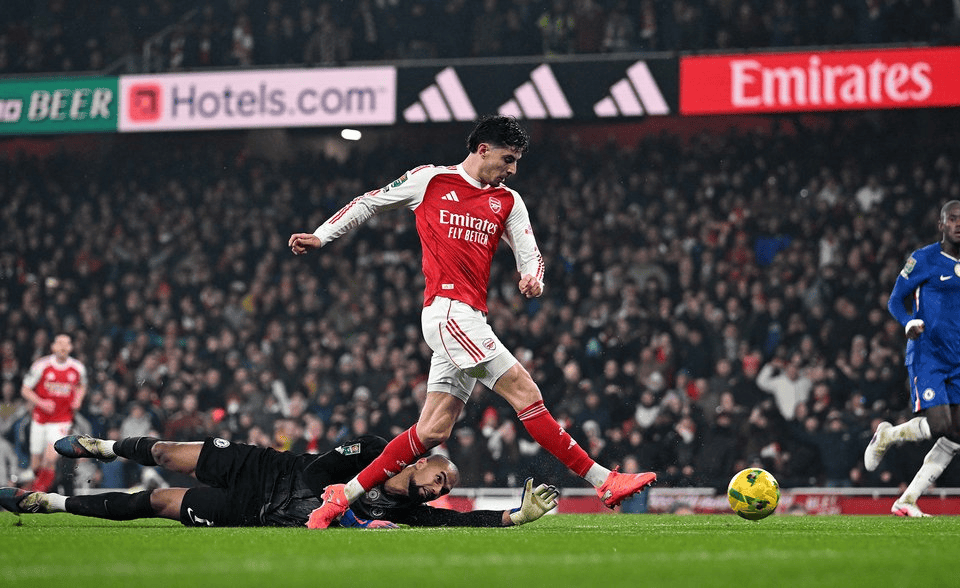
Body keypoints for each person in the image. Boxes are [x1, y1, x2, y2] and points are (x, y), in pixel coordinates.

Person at [288, 115, 655, 528]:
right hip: (447, 311)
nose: (513, 169)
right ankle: (603, 480)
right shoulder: (430, 180)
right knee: (525, 390)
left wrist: (532, 276)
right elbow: (370, 200)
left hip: (470, 318)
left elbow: (530, 251)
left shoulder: (509, 201)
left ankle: (341, 497)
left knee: (432, 431)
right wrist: (321, 235)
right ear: (483, 149)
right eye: (508, 158)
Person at [0, 433, 558, 528]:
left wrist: (513, 516)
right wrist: (355, 512)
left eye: (441, 489)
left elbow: (456, 522)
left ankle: (45, 503)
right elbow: (317, 473)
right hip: (263, 468)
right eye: (437, 477)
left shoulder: (407, 511)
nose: (436, 491)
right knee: (169, 453)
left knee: (156, 500)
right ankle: (103, 445)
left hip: (255, 512)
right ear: (419, 460)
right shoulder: (373, 452)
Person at [864, 200, 960, 517]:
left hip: (955, 358)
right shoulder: (923, 259)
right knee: (939, 424)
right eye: (952, 219)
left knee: (959, 432)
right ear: (941, 225)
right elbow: (894, 300)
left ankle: (907, 500)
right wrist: (908, 322)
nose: (959, 224)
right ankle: (886, 435)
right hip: (926, 354)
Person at [20, 334, 86, 493]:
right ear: (53, 346)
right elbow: (25, 389)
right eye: (60, 343)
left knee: (50, 458)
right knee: (36, 466)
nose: (63, 347)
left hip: (62, 420)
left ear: (71, 347)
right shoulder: (41, 366)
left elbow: (82, 386)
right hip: (40, 420)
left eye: (67, 343)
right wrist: (41, 402)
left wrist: (78, 399)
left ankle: (37, 495)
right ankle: (31, 493)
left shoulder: (78, 368)